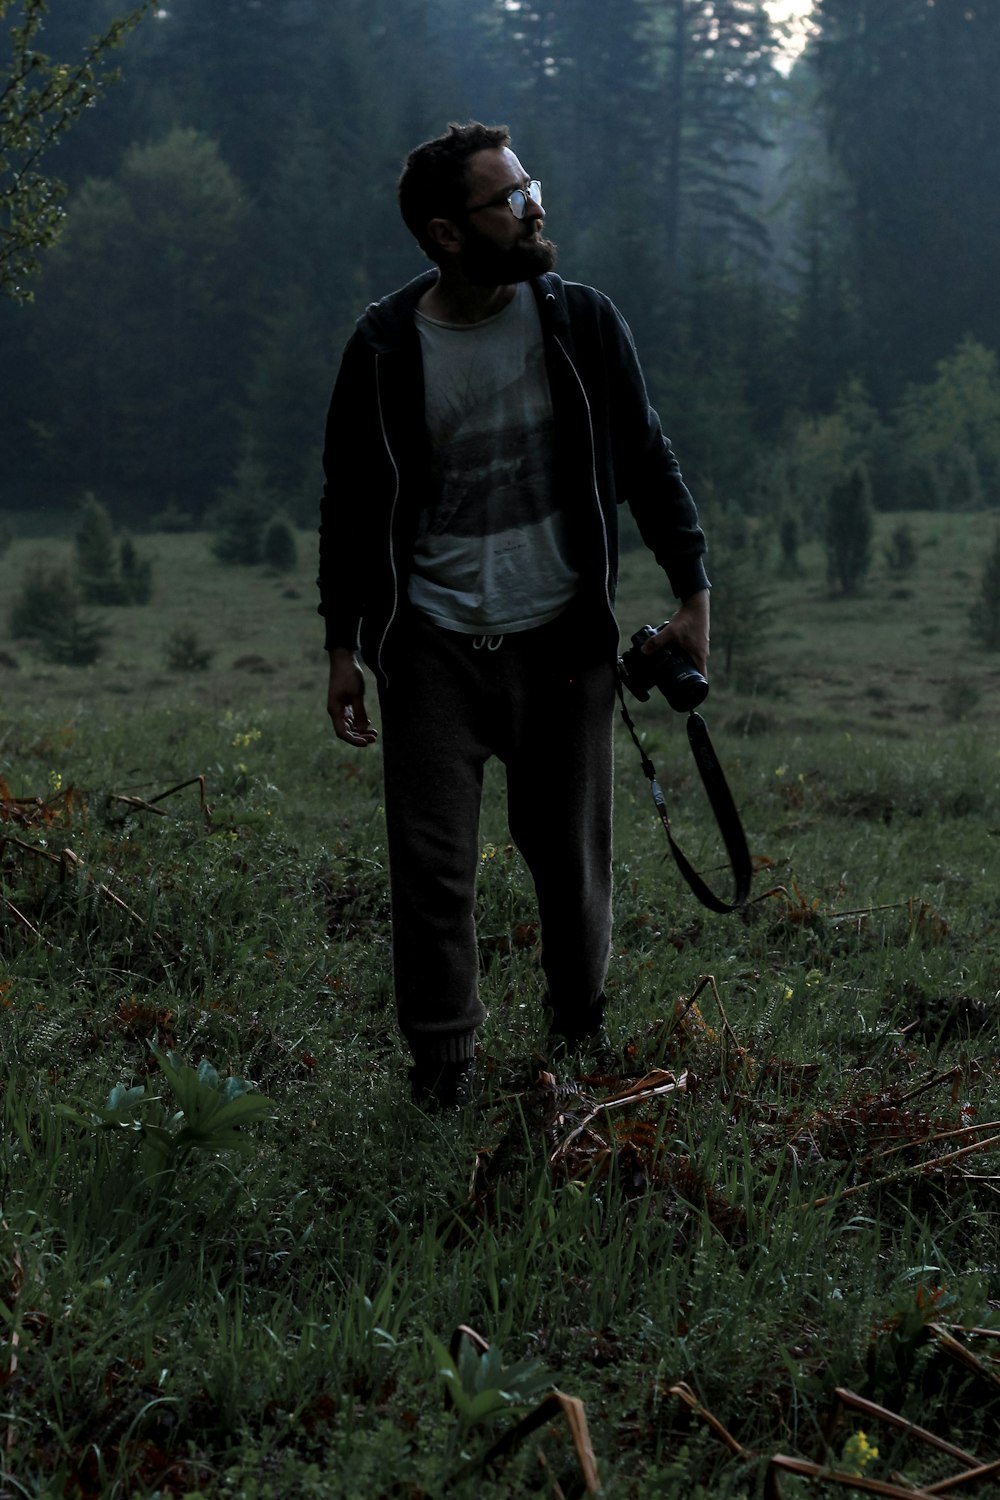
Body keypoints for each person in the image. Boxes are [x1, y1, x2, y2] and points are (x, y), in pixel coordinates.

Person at [318, 121, 709, 1108]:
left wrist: (694, 590)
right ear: (448, 234)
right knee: (432, 870)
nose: (535, 205)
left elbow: (648, 460)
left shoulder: (580, 321)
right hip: (433, 648)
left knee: (571, 861)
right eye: (509, 198)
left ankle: (576, 1028)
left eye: (531, 184)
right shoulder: (382, 346)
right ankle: (442, 1069)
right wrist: (340, 646)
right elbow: (351, 504)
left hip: (562, 646)